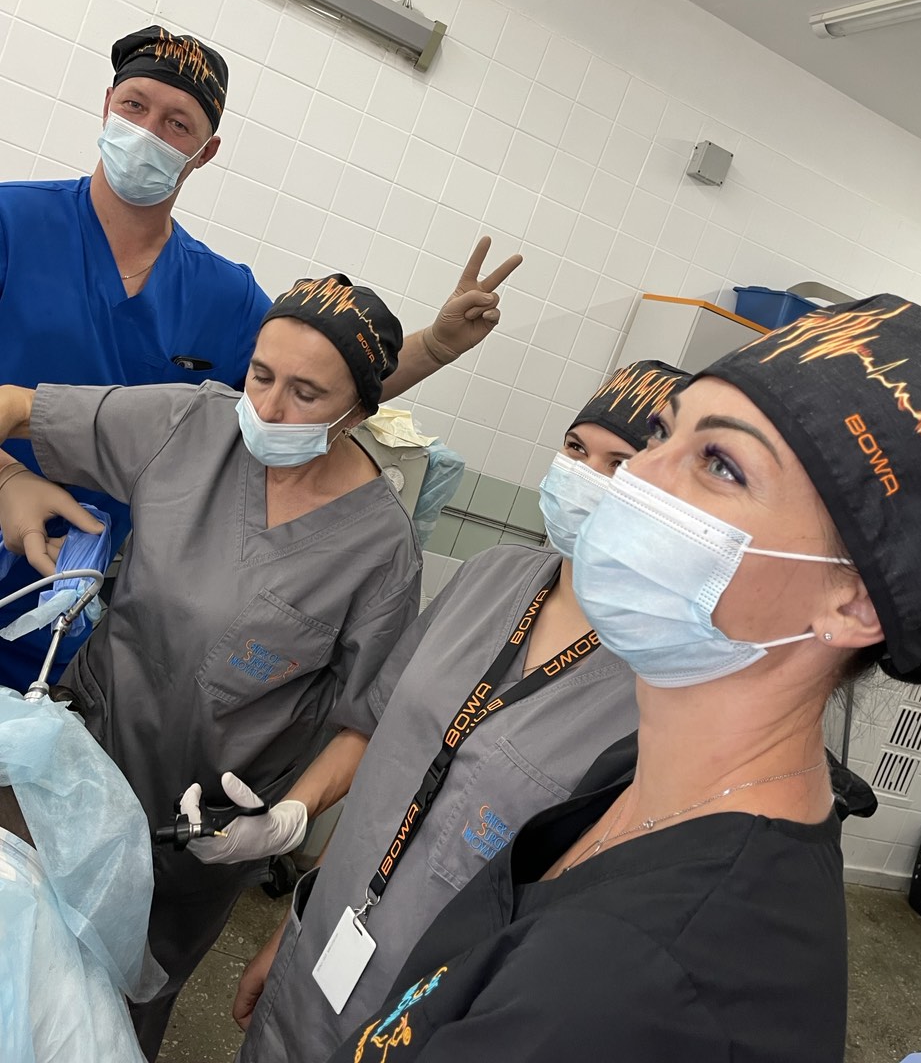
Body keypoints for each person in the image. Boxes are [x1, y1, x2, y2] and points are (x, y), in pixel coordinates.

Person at [323, 293, 921, 1063]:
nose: (636, 480)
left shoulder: (649, 986)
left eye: (720, 465)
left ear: (854, 601)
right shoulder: (637, 777)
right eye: (662, 432)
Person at [0, 22, 522, 690]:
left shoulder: (224, 295)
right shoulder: (13, 222)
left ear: (206, 151)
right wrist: (6, 481)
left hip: (69, 589)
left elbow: (319, 387)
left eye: (177, 123)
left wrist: (437, 347)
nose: (148, 132)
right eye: (134, 106)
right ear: (107, 105)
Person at [200, 360, 685, 1062]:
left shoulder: (659, 693)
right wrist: (295, 844)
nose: (586, 478)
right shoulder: (493, 577)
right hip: (324, 947)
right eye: (577, 449)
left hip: (443, 1020)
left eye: (621, 464)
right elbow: (386, 749)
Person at [0, 274, 425, 1060]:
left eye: (305, 394)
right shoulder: (192, 426)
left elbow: (366, 724)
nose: (267, 408)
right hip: (74, 772)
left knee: (114, 1017)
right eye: (260, 375)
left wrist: (289, 816)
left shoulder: (381, 551)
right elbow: (16, 406)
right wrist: (8, 480)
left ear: (359, 412)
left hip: (192, 839)